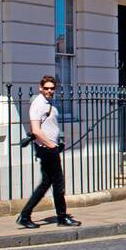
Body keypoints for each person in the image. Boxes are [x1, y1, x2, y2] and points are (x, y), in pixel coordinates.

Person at [17, 76, 80, 229]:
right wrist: (51, 146)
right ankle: (62, 217)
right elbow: (36, 130)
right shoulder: (38, 104)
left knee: (46, 184)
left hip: (50, 147)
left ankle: (25, 216)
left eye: (52, 88)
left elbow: (50, 126)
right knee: (58, 183)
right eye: (46, 88)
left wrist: (59, 141)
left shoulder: (49, 103)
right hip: (47, 149)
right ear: (40, 88)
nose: (49, 91)